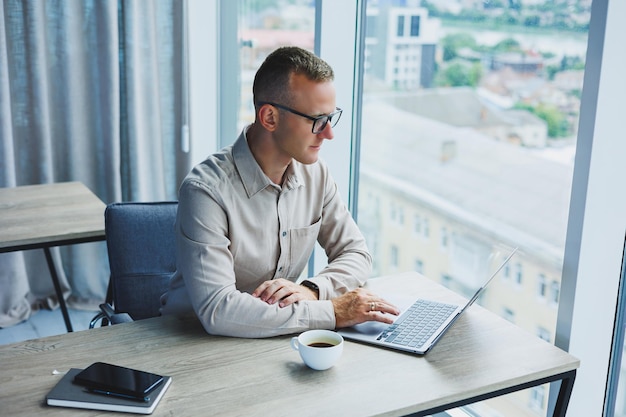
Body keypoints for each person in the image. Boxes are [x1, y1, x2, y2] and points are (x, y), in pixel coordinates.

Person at [160, 46, 399, 338]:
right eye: (316, 121)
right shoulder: (206, 192)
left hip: (275, 336)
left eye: (330, 117)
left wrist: (312, 291)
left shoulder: (316, 173)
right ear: (270, 118)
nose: (328, 133)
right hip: (191, 342)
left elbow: (356, 253)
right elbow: (219, 310)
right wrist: (332, 312)